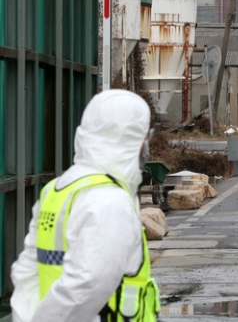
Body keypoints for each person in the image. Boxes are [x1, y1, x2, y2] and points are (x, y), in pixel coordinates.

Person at [11, 90, 160, 322]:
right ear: (130, 139)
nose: (146, 145)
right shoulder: (110, 200)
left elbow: (27, 272)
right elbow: (86, 286)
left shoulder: (57, 190)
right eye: (145, 136)